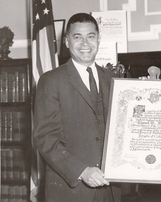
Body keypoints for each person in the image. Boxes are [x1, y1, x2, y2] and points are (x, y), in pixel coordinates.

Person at [33, 13, 121, 202]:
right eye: (77, 37)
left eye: (90, 36)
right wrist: (81, 171)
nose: (85, 43)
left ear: (98, 39)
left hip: (111, 190)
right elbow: (46, 138)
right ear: (66, 41)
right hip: (71, 190)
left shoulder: (112, 80)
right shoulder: (51, 80)